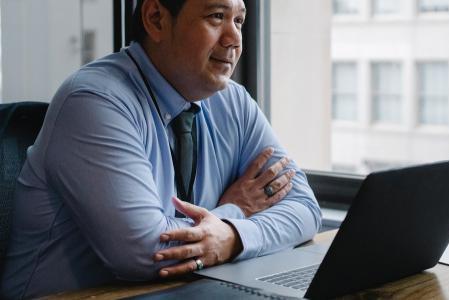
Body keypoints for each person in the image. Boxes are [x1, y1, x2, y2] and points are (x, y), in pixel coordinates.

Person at [0, 0, 321, 298]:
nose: (233, 38)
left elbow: (305, 207)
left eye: (239, 20)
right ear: (156, 19)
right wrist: (234, 213)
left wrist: (233, 236)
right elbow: (144, 252)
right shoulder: (93, 101)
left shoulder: (233, 101)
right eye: (217, 17)